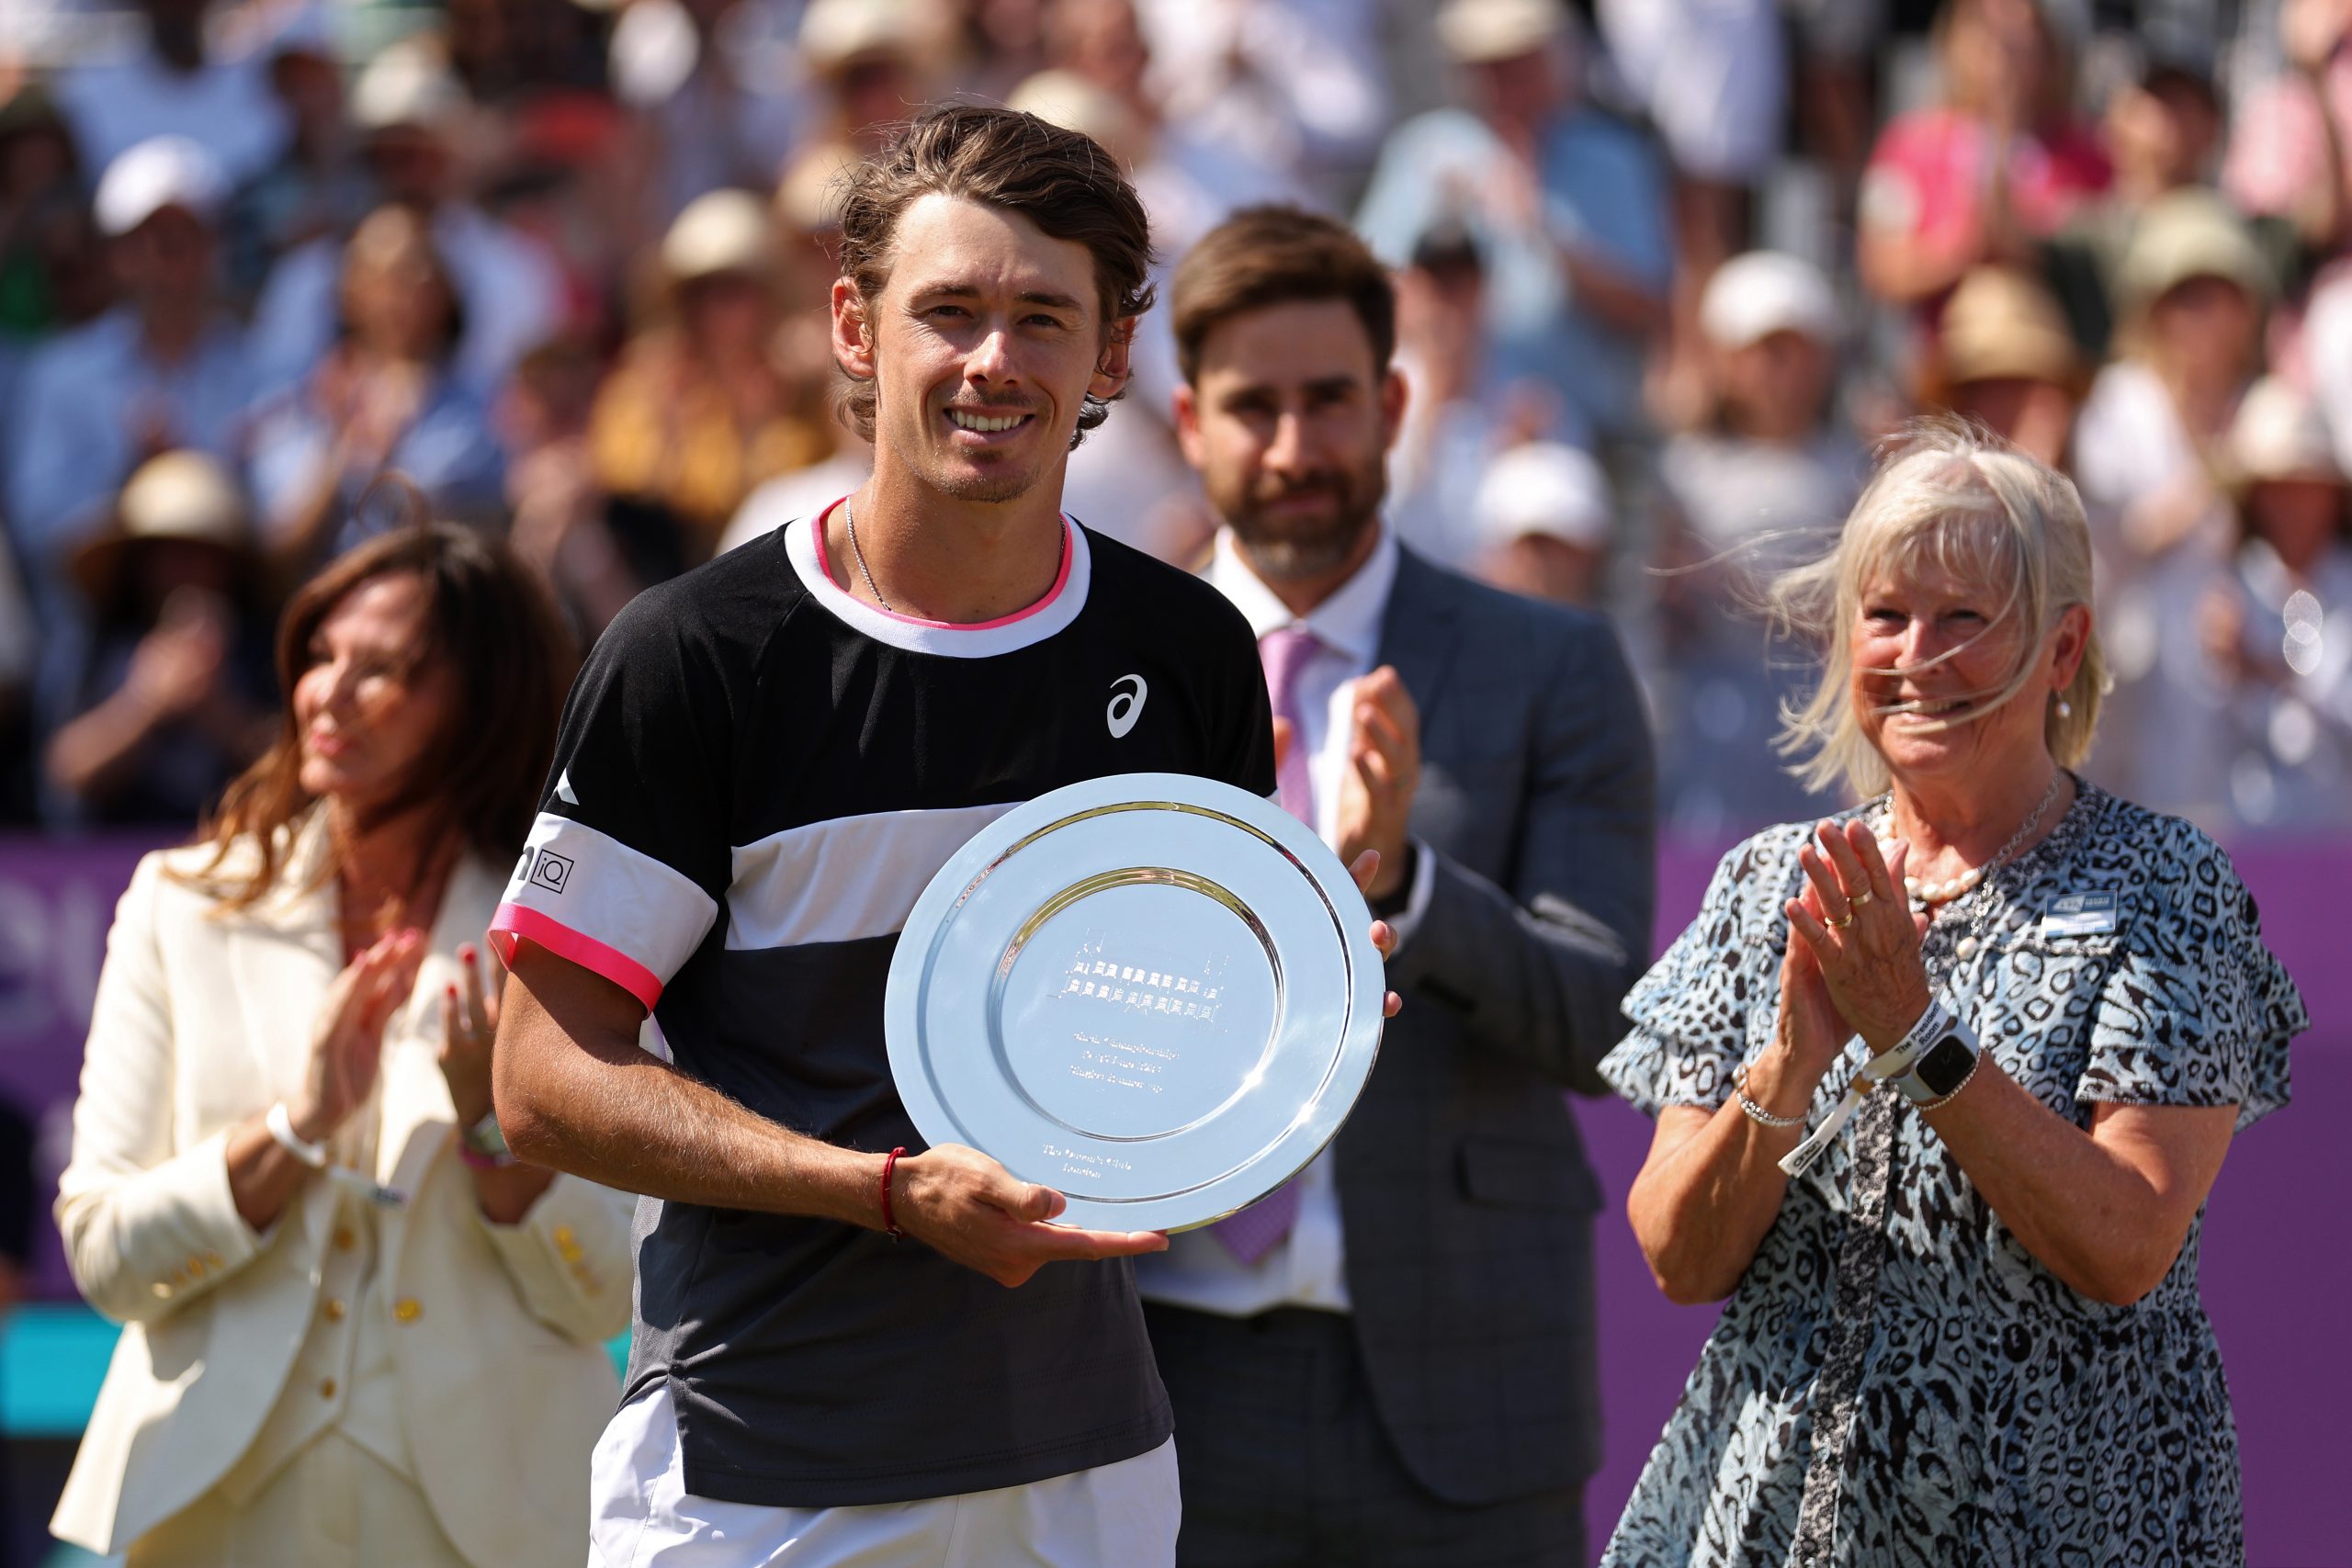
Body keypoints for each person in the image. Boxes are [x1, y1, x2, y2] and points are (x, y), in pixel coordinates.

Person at [485, 106, 1397, 1566]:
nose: (994, 361)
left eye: (1045, 317)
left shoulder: (1191, 651)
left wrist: (1298, 1020)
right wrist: (889, 1193)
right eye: (950, 311)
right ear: (857, 326)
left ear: (1111, 358)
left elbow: (1167, 1063)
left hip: (1085, 1475)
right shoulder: (695, 653)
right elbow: (542, 1076)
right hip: (753, 1471)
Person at [1599, 420, 2305, 1565]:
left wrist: (1919, 1041)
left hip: (2067, 1525)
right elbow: (1679, 1256)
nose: (1915, 655)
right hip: (1782, 1525)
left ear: (2063, 650)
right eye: (1884, 615)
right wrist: (1791, 1062)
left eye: (1964, 619)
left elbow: (2127, 1242)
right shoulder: (1768, 882)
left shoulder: (2162, 886)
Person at [1141, 205, 1655, 1568]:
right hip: (1149, 1382)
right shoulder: (1095, 669)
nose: (1297, 449)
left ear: (1396, 404)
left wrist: (1403, 883)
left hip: (1470, 1386)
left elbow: (1611, 1017)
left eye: (1329, 403)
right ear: (1190, 420)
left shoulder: (1553, 666)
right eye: (1256, 407)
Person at [48, 521, 634, 1567]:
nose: (329, 693)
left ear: (483, 703)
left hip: (492, 1516)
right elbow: (103, 1254)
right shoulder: (178, 907)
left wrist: (494, 1124)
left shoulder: (567, 936)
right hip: (213, 1504)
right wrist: (295, 1129)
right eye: (321, 657)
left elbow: (606, 1293)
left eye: (386, 671)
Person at [1354, 0, 1673, 444]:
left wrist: (1540, 229)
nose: (1501, 81)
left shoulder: (1612, 157)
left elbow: (1647, 309)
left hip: (1580, 431)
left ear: (1555, 58)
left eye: (1518, 61)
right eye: (1485, 64)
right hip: (1446, 427)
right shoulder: (1427, 150)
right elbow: (1367, 295)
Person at [249, 205, 506, 582]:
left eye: (423, 272)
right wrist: (343, 453)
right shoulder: (308, 400)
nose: (408, 289)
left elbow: (492, 532)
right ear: (350, 292)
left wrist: (391, 464)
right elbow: (278, 550)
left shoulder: (486, 404)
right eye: (390, 274)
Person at [44, 451, 274, 825]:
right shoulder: (105, 641)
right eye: (168, 553)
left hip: (232, 853)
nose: (184, 570)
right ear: (140, 563)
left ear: (230, 564)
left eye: (201, 554)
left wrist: (214, 707)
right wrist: (145, 703)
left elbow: (291, 764)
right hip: (114, 865)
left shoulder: (262, 646)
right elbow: (66, 769)